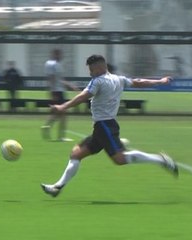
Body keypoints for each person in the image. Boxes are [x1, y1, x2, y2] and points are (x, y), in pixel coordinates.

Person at [41, 54, 179, 197]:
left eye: (92, 70)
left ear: (100, 67)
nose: (90, 73)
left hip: (104, 126)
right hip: (103, 127)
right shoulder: (119, 79)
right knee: (76, 154)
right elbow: (138, 82)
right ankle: (57, 187)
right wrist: (160, 81)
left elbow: (83, 96)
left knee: (119, 159)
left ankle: (161, 160)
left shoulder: (98, 81)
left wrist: (63, 106)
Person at [41, 49, 77, 142]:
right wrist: (52, 92)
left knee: (60, 113)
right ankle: (60, 136)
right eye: (59, 54)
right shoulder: (51, 64)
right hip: (57, 92)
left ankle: (48, 126)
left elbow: (60, 79)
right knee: (63, 113)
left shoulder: (57, 65)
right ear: (55, 54)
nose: (61, 56)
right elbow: (51, 79)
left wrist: (70, 85)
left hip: (59, 91)